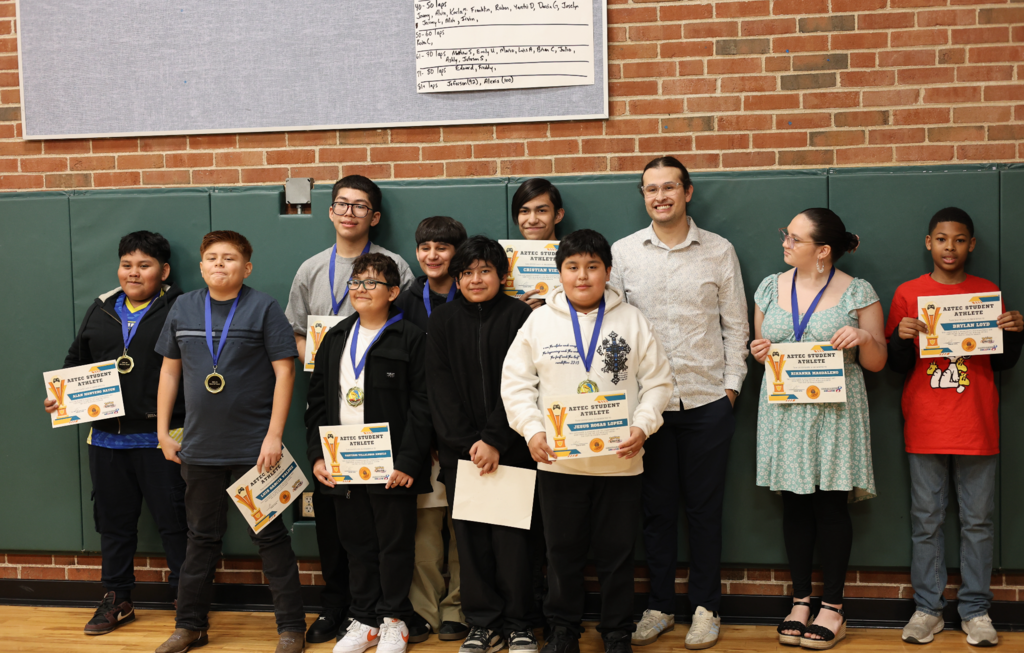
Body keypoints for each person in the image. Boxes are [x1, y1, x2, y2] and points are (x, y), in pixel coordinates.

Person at [501, 229, 673, 653]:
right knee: (562, 552)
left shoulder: (631, 319)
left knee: (617, 554)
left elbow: (658, 383)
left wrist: (643, 425)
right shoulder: (538, 322)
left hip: (621, 460)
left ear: (608, 271)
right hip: (559, 461)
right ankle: (562, 630)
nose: (582, 276)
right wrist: (533, 430)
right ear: (559, 273)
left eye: (592, 267)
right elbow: (516, 385)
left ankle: (616, 632)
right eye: (573, 267)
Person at [609, 156, 749, 650]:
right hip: (647, 411)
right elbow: (612, 325)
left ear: (687, 193)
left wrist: (730, 388)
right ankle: (660, 606)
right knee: (655, 512)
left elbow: (736, 325)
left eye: (669, 187)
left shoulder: (718, 251)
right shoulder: (623, 253)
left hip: (709, 401)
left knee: (706, 512)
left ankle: (706, 608)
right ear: (643, 196)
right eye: (651, 189)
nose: (660, 196)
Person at [154, 231, 305, 653]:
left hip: (255, 452)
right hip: (199, 450)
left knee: (271, 539)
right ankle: (190, 626)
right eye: (212, 258)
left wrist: (273, 436)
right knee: (200, 539)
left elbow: (285, 373)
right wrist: (164, 432)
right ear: (201, 266)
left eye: (230, 258)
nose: (220, 264)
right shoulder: (183, 307)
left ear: (247, 267)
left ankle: (291, 628)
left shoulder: (264, 308)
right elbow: (168, 372)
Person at [284, 174, 415, 643]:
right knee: (348, 533)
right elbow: (297, 339)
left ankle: (394, 616)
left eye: (360, 206)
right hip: (339, 429)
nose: (349, 212)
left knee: (391, 536)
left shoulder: (398, 271)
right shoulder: (312, 273)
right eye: (341, 204)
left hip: (387, 433)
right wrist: (324, 366)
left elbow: (416, 379)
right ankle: (352, 612)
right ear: (330, 210)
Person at [749, 209, 886, 650]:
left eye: (795, 238)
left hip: (835, 412)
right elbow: (762, 347)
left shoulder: (858, 292)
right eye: (785, 234)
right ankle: (801, 600)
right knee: (794, 505)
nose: (785, 243)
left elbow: (878, 361)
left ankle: (833, 607)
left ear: (823, 251)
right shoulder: (770, 286)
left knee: (830, 506)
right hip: (785, 412)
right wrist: (760, 350)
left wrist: (864, 339)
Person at [886, 207, 1023, 648]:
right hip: (925, 424)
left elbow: (1002, 363)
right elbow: (895, 367)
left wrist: (1015, 332)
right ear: (929, 243)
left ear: (972, 245)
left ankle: (976, 610)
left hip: (976, 425)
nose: (951, 247)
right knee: (925, 521)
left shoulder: (988, 293)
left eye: (960, 239)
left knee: (977, 522)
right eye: (942, 239)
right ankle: (928, 609)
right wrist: (900, 338)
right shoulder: (908, 294)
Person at [43, 231, 188, 636]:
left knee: (175, 523)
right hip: (106, 441)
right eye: (127, 264)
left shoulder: (181, 308)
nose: (134, 273)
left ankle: (186, 600)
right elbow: (75, 364)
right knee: (114, 525)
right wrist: (59, 398)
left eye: (144, 265)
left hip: (163, 439)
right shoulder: (102, 308)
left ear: (164, 271)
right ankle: (118, 599)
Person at [305, 252, 433, 653]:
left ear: (393, 292)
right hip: (344, 465)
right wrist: (318, 457)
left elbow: (424, 405)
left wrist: (409, 461)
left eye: (371, 283)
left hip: (392, 466)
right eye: (355, 283)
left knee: (393, 544)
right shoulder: (336, 337)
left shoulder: (411, 337)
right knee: (357, 543)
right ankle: (364, 619)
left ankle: (394, 619)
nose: (360, 289)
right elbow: (317, 404)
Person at [426, 236, 538, 653]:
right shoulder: (441, 322)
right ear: (456, 279)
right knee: (470, 542)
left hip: (512, 451)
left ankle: (520, 623)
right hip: (462, 457)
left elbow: (523, 385)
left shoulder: (521, 317)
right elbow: (439, 389)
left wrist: (493, 439)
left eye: (485, 271)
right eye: (467, 272)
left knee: (514, 543)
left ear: (502, 276)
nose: (475, 279)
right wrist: (466, 446)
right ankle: (482, 623)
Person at [393, 217, 470, 643]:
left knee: (465, 528)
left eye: (442, 247)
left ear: (458, 252)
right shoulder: (404, 302)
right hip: (420, 435)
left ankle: (459, 607)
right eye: (425, 248)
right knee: (424, 533)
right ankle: (424, 610)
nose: (433, 256)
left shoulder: (476, 296)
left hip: (463, 435)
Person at [511, 178, 565, 310]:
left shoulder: (574, 258)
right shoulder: (504, 262)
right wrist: (516, 311)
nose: (532, 220)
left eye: (541, 211)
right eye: (524, 211)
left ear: (558, 215)